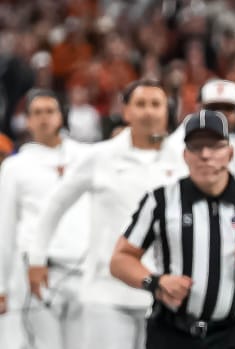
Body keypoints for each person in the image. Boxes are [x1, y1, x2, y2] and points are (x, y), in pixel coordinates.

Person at [109, 110, 235, 349]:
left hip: (234, 335)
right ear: (185, 155)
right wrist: (155, 282)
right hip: (172, 333)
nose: (206, 155)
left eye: (215, 146)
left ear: (230, 153)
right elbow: (120, 259)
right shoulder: (160, 200)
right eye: (197, 147)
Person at [27, 80, 187, 349]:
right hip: (106, 294)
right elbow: (55, 204)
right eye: (141, 104)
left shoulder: (182, 161)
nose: (148, 112)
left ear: (167, 112)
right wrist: (37, 258)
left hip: (164, 293)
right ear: (126, 111)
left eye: (156, 104)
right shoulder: (100, 157)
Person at [0, 89, 90, 349]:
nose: (44, 118)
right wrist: (2, 286)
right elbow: (5, 227)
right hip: (37, 272)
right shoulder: (15, 167)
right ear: (27, 121)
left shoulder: (85, 157)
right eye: (37, 113)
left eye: (50, 111)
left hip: (81, 268)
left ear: (61, 117)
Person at [169, 79, 235, 183]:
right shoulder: (176, 143)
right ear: (199, 108)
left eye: (228, 108)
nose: (221, 114)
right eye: (213, 108)